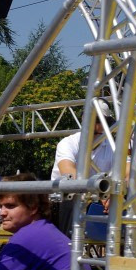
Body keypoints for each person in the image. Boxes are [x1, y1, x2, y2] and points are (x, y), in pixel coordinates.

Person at [51, 99, 115, 236]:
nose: (98, 126)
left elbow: (126, 173)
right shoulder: (68, 143)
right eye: (95, 121)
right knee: (72, 192)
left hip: (97, 201)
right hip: (64, 201)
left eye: (102, 122)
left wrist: (112, 194)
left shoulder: (112, 146)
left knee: (135, 196)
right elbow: (69, 174)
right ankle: (67, 247)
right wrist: (100, 192)